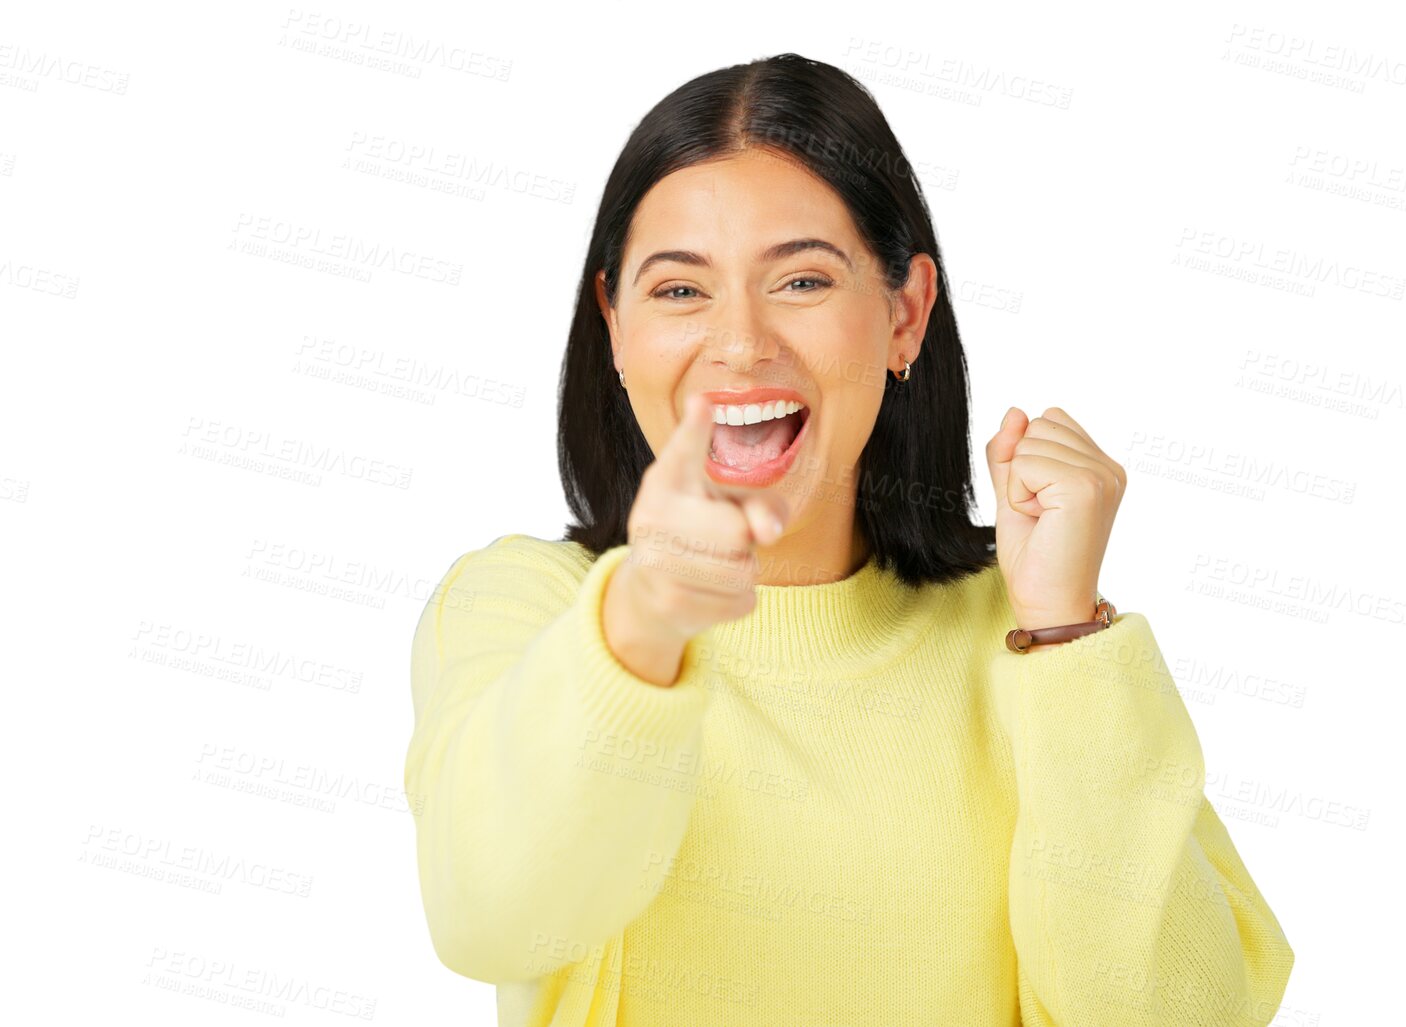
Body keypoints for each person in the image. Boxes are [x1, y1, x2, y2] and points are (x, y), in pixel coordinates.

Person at [404, 52, 1293, 1027]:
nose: (740, 344)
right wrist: (640, 622)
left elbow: (1179, 1014)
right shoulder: (525, 607)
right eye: (679, 291)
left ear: (906, 312)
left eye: (801, 279)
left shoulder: (1032, 638)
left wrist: (1065, 638)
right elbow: (491, 917)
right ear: (614, 326)